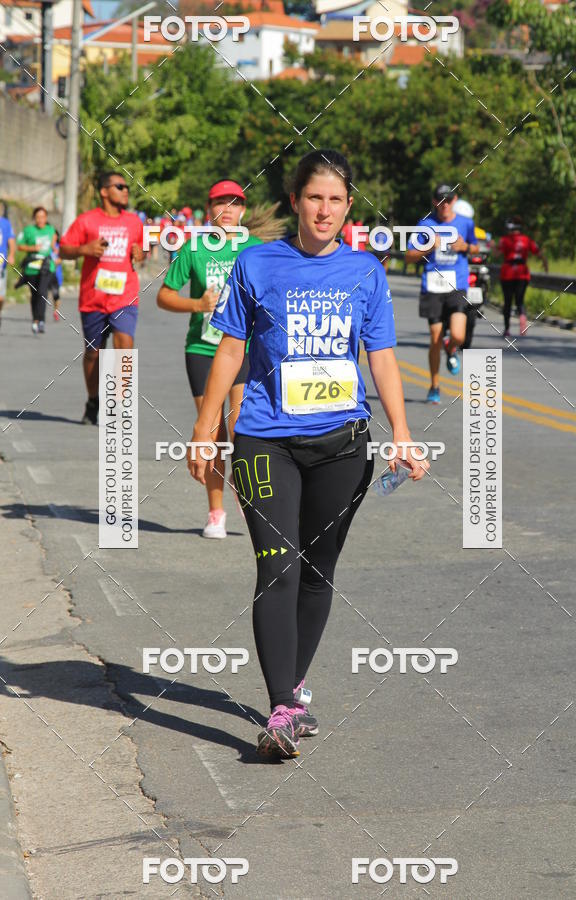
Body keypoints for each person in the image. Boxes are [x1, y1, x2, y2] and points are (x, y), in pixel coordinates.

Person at [187, 149, 428, 759]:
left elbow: (380, 358)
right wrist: (205, 425)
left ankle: (291, 686)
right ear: (295, 201)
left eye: (336, 200)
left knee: (318, 570)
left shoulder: (365, 272)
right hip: (266, 440)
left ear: (349, 208)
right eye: (314, 197)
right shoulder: (256, 262)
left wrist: (401, 430)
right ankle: (282, 708)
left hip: (342, 445)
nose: (324, 210)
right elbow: (231, 351)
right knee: (278, 566)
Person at [157, 180, 262, 539]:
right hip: (203, 349)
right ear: (209, 209)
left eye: (235, 204)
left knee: (245, 429)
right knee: (213, 433)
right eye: (221, 203)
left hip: (245, 350)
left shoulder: (256, 250)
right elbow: (165, 296)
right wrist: (196, 304)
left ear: (243, 211)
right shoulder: (194, 248)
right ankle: (216, 512)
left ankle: (248, 495)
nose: (228, 210)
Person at [60, 172, 144, 425]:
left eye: (127, 187)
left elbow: (139, 251)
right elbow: (64, 249)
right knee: (93, 353)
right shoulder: (86, 221)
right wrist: (84, 249)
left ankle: (119, 404)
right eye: (120, 186)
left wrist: (140, 254)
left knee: (125, 344)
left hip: (124, 296)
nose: (126, 190)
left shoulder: (133, 223)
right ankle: (93, 400)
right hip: (93, 298)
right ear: (105, 191)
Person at [405, 183, 478, 404]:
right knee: (435, 338)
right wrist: (428, 247)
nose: (444, 205)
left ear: (454, 200)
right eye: (440, 200)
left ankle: (452, 346)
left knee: (459, 335)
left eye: (448, 200)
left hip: (457, 285)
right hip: (433, 286)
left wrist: (464, 246)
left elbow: (476, 248)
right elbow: (409, 256)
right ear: (434, 202)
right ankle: (435, 386)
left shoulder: (465, 223)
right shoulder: (425, 225)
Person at [498, 216, 548, 338]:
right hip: (522, 273)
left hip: (508, 272)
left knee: (508, 301)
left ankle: (507, 329)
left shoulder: (504, 240)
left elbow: (497, 253)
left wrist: (492, 246)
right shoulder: (527, 240)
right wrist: (545, 264)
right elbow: (539, 253)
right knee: (520, 300)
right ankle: (522, 320)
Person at [17, 207, 58, 334]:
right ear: (34, 218)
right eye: (38, 217)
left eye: (43, 217)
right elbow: (19, 245)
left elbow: (53, 245)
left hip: (46, 266)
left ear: (46, 218)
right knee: (35, 295)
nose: (41, 220)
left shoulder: (51, 230)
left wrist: (56, 250)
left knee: (42, 292)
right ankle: (35, 319)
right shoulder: (28, 230)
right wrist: (32, 247)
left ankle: (41, 321)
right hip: (32, 267)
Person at [0, 205, 16, 331]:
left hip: (1, 263)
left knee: (0, 297)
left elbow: (11, 241)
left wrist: (11, 255)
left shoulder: (5, 223)